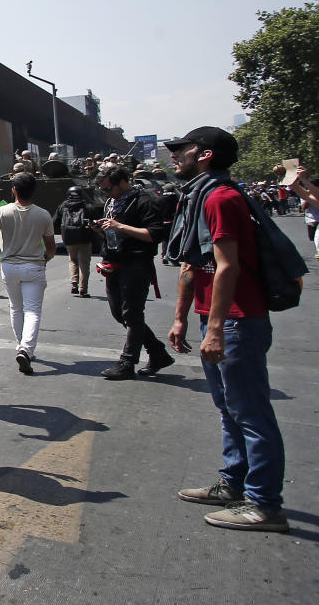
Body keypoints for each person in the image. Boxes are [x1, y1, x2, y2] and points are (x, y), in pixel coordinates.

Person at [165, 126, 288, 532]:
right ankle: (234, 483)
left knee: (250, 413)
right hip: (215, 316)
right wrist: (183, 316)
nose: (174, 156)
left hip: (237, 320)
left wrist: (215, 327)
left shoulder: (221, 197)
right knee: (228, 409)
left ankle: (265, 504)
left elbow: (227, 265)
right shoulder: (199, 195)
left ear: (204, 154)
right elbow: (193, 264)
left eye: (181, 149)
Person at [92, 164, 175, 380]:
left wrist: (120, 227)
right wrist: (102, 230)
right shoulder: (112, 202)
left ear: (122, 183)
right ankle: (157, 353)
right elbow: (113, 232)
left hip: (136, 263)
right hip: (114, 261)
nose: (106, 194)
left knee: (132, 313)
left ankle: (127, 362)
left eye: (108, 189)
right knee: (120, 313)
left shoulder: (144, 200)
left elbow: (154, 234)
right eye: (103, 190)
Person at [0, 173, 56, 375]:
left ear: (14, 190)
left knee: (16, 308)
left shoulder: (1, 212)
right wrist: (45, 259)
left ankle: (21, 345)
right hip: (34, 266)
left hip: (10, 267)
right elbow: (51, 247)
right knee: (32, 310)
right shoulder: (43, 215)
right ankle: (26, 348)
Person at [53, 185, 95, 297]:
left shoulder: (63, 206)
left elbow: (55, 222)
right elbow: (94, 222)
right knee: (84, 264)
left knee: (73, 260)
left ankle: (74, 283)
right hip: (85, 238)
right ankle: (83, 289)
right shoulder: (87, 206)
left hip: (69, 238)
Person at [158, 183, 179, 265]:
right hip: (173, 222)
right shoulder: (177, 198)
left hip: (163, 222)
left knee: (165, 240)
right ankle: (173, 259)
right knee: (174, 240)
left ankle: (164, 256)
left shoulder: (160, 199)